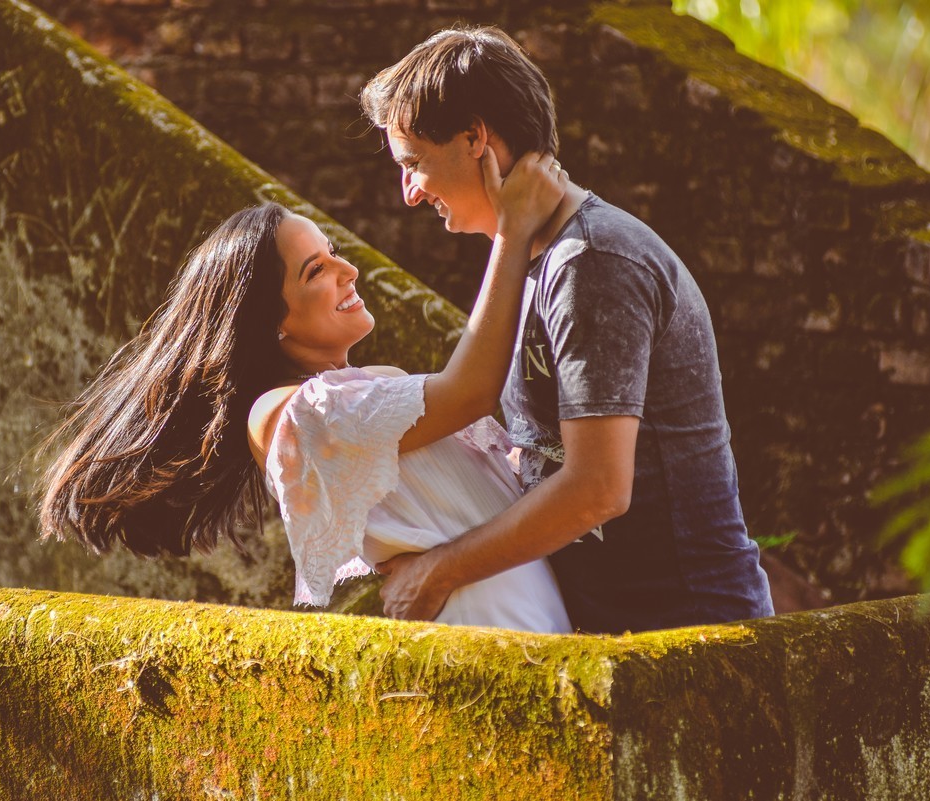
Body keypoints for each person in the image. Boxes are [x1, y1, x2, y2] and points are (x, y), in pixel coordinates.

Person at [38, 148, 575, 633]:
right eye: (316, 270)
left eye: (334, 251)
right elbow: (471, 391)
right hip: (489, 625)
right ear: (271, 321)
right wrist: (512, 229)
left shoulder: (370, 388)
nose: (350, 269)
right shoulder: (287, 415)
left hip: (532, 610)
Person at [359, 26, 774, 633]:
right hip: (618, 634)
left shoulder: (593, 261)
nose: (409, 194)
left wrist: (442, 570)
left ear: (476, 138)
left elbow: (598, 488)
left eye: (415, 163)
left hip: (689, 636)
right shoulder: (540, 258)